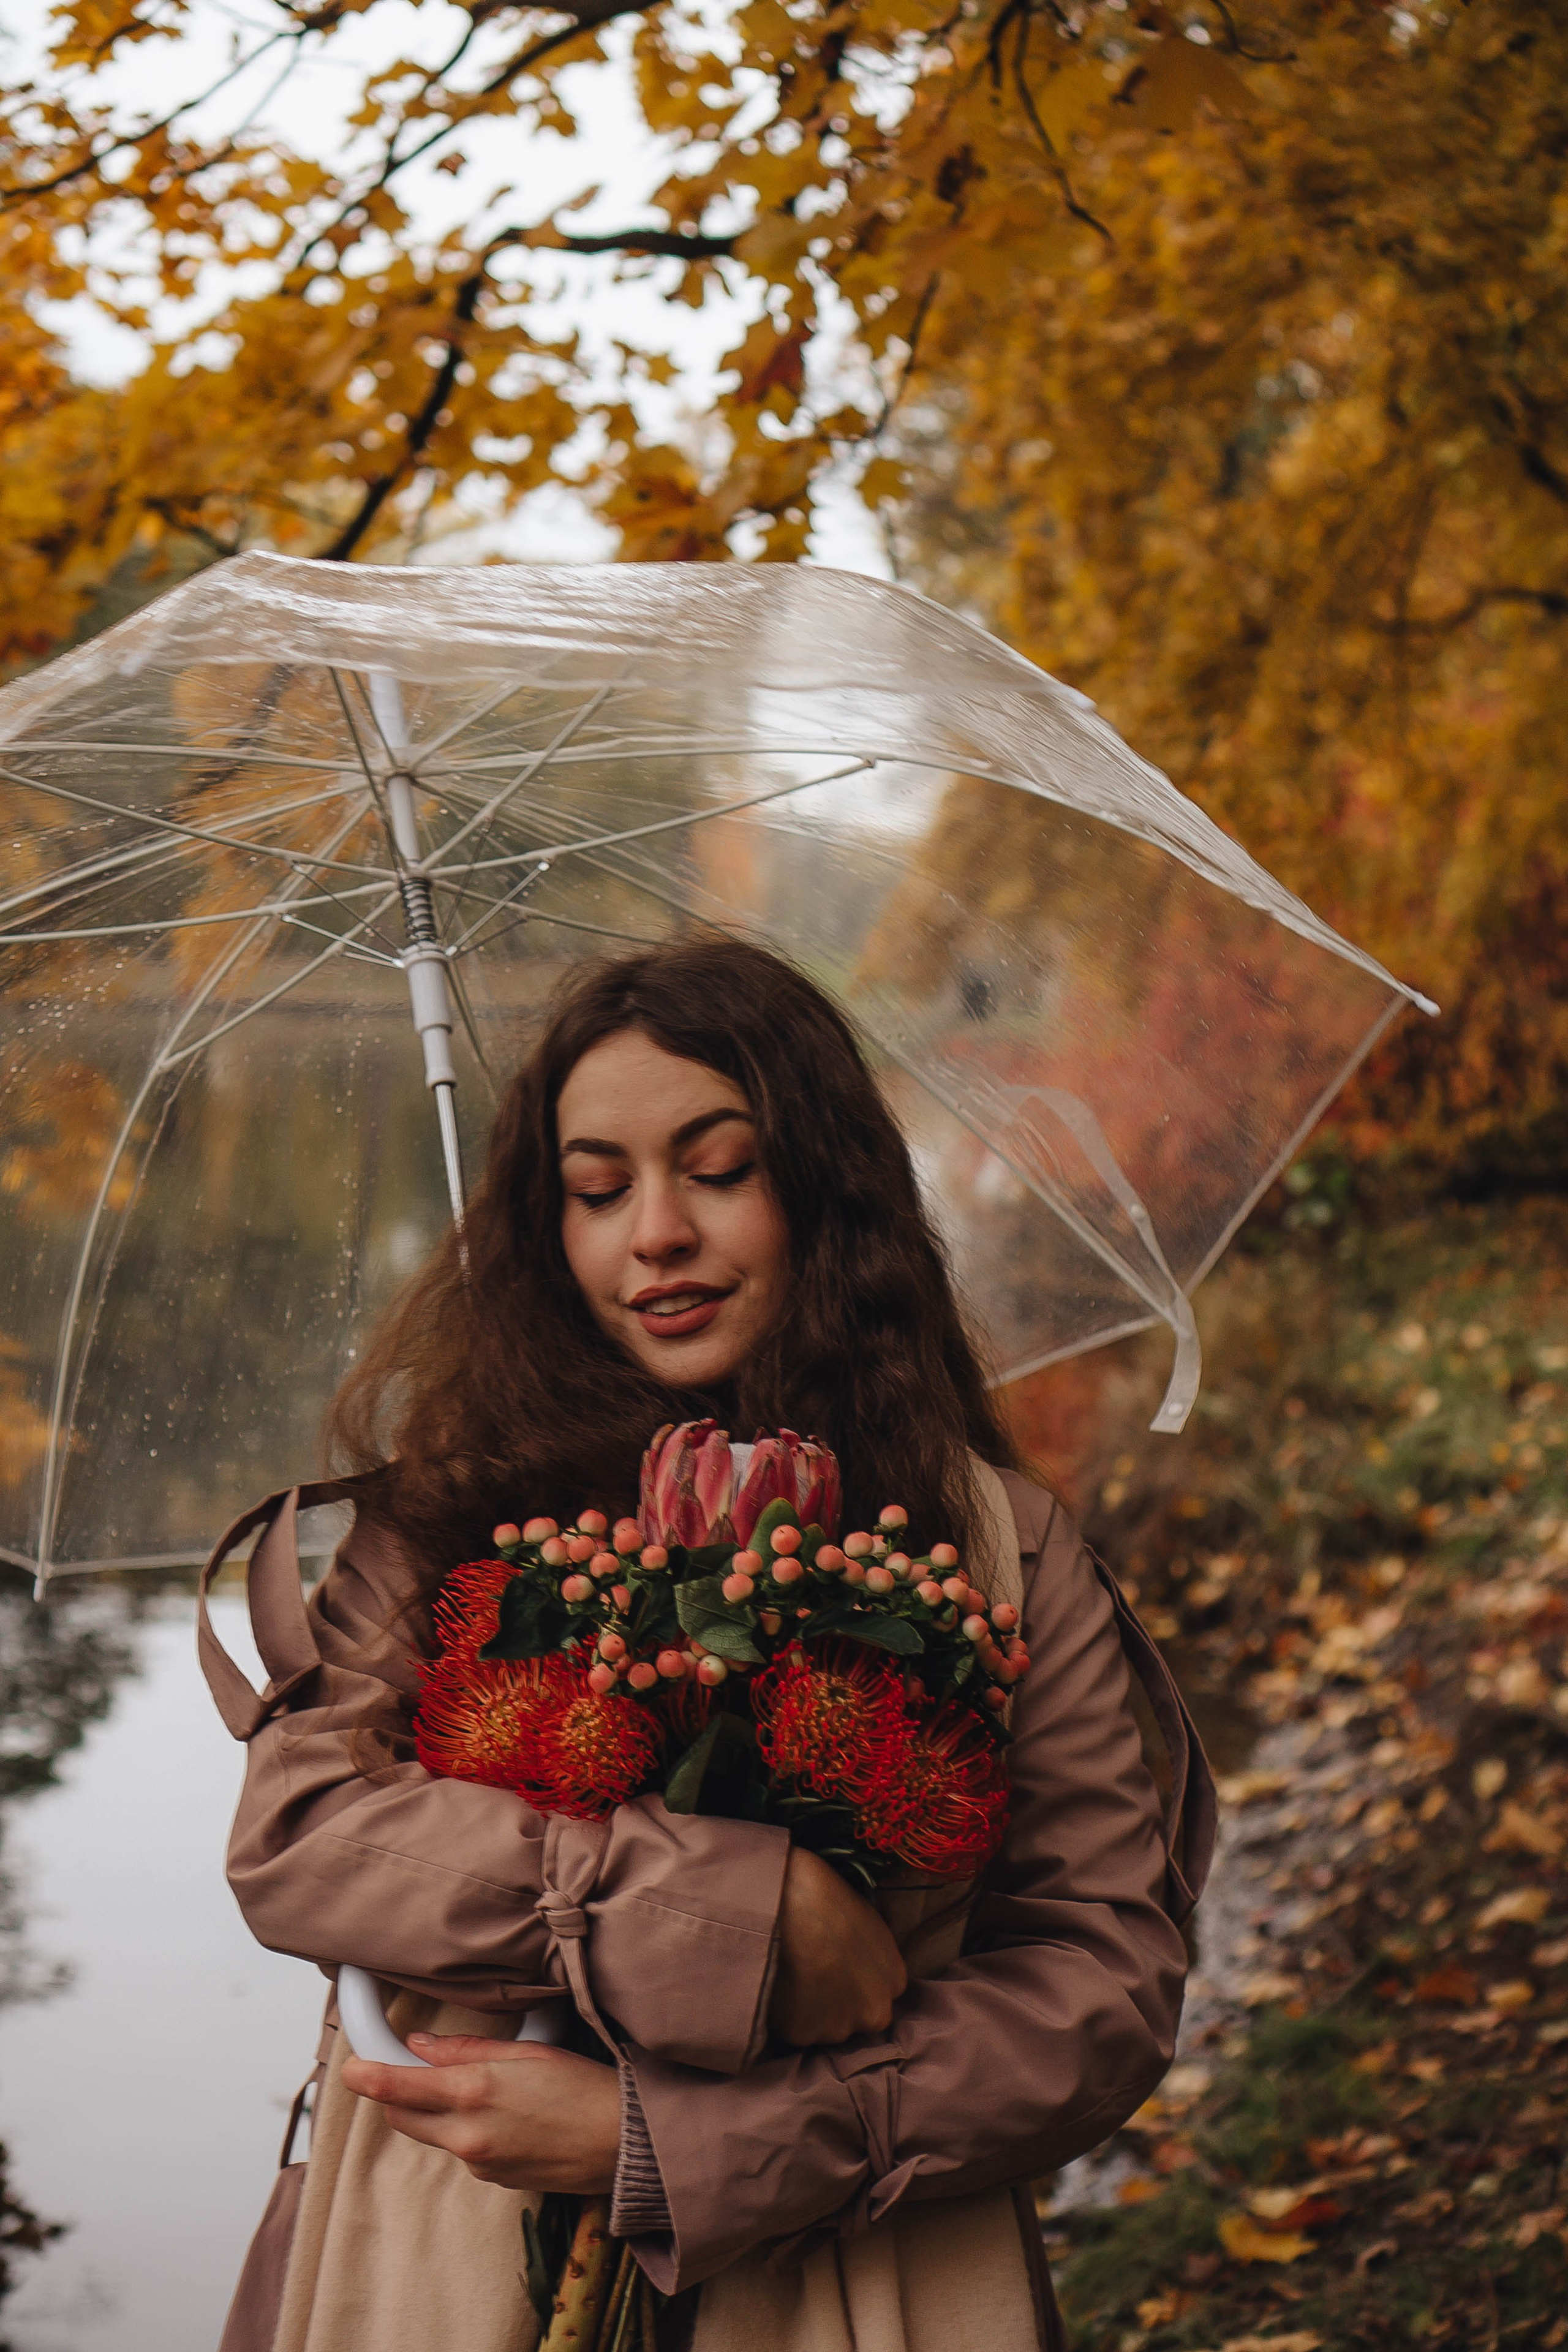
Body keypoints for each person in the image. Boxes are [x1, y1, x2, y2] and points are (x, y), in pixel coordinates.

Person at [199, 937, 1213, 2352]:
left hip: (853, 2273)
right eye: (595, 1191)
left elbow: (1098, 1988)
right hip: (448, 2254)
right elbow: (300, 1836)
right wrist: (734, 1913)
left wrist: (674, 2143)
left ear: (820, 1188)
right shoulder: (447, 1510)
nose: (652, 1235)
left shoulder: (995, 1545)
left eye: (716, 1170)